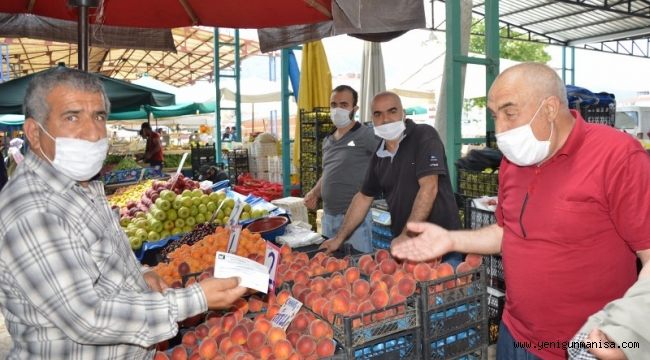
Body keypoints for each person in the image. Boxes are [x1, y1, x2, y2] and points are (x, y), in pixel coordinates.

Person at [391, 63, 650, 359]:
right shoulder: (514, 163)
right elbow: (507, 231)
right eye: (494, 115)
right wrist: (451, 241)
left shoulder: (617, 156)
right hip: (514, 334)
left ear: (550, 108)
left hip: (583, 348)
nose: (499, 129)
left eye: (509, 113)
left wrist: (624, 332)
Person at [0, 67, 247, 359]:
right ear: (34, 133)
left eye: (99, 116)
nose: (93, 133)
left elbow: (100, 261)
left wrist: (139, 276)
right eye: (72, 117)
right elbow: (88, 317)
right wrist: (197, 298)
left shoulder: (80, 185)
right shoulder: (33, 212)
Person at [320, 91, 462, 266]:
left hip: (442, 246)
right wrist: (339, 238)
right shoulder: (379, 155)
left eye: (392, 111)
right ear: (372, 119)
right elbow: (363, 197)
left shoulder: (424, 135)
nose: (385, 119)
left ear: (403, 113)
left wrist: (407, 234)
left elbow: (429, 187)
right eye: (378, 114)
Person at [304, 85, 379, 253]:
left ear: (355, 108)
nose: (337, 109)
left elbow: (388, 159)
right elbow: (329, 172)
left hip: (355, 222)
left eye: (344, 105)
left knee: (358, 270)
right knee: (333, 268)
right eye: (333, 104)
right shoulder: (328, 140)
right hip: (328, 218)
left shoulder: (366, 135)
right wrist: (315, 192)